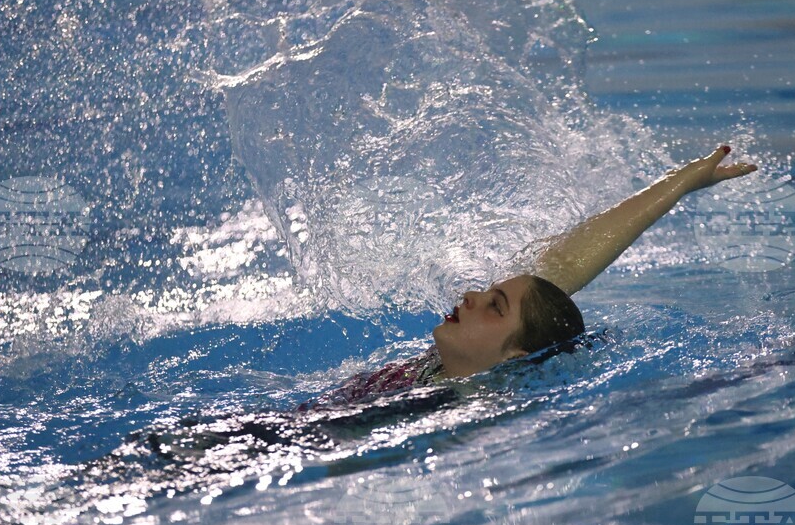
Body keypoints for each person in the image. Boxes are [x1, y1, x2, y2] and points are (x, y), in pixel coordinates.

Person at [299, 145, 758, 411]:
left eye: (495, 305)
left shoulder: (452, 409)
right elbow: (564, 266)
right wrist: (679, 181)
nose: (470, 296)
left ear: (515, 356)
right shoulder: (439, 367)